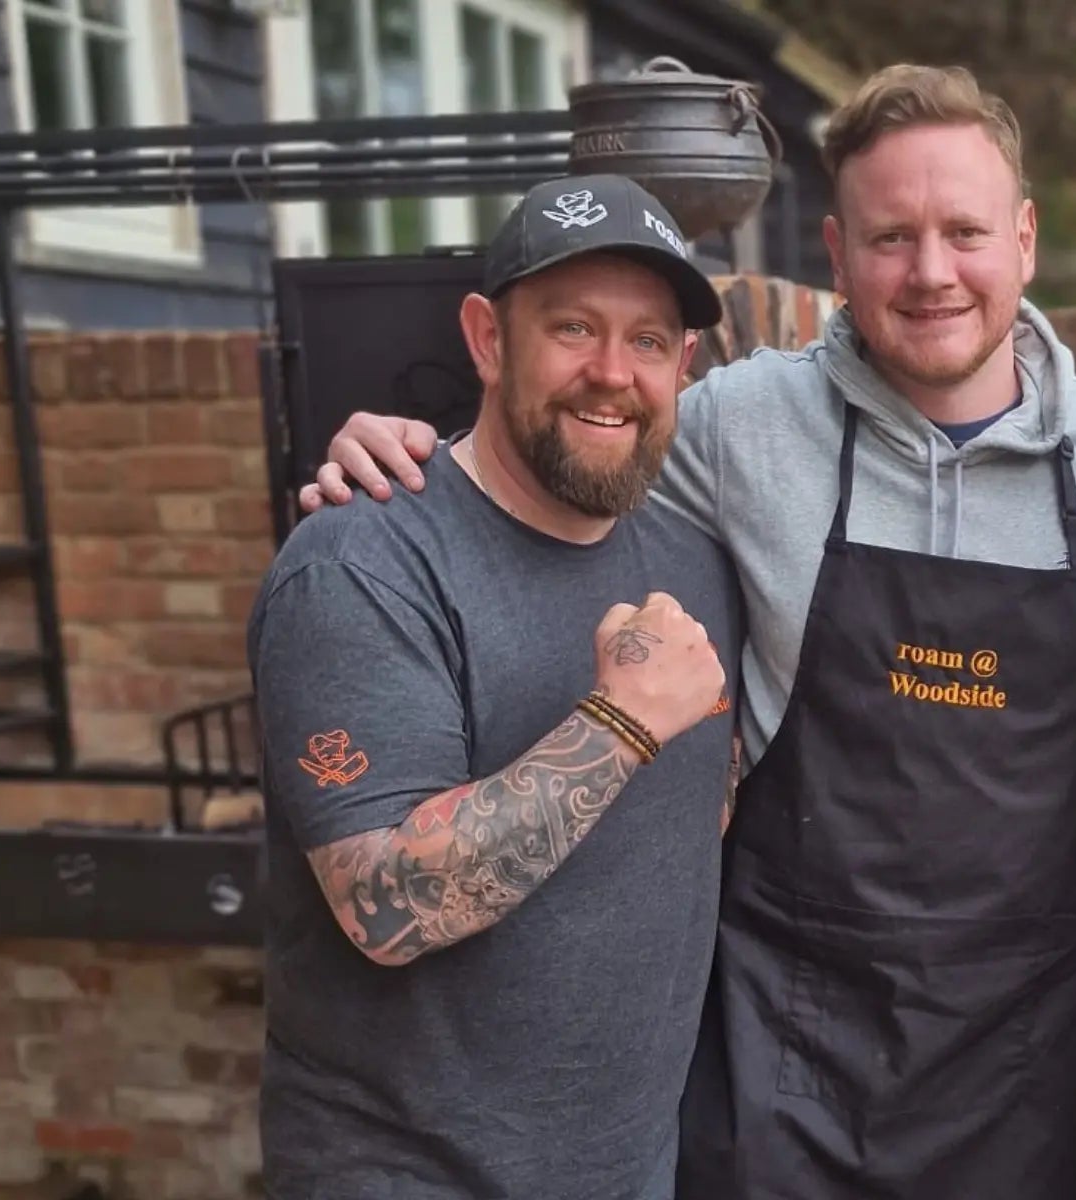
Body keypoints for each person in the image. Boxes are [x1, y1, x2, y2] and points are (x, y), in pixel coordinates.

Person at [294, 65, 1076, 1199]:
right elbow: (574, 447)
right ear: (838, 253)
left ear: (1026, 242)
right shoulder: (732, 426)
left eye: (965, 233)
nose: (931, 270)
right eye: (891, 237)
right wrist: (416, 457)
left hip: (1023, 1055)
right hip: (785, 1045)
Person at [248, 174, 743, 1200]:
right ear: (486, 338)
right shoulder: (361, 563)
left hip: (629, 1167)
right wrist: (621, 721)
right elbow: (387, 910)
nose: (612, 373)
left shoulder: (693, 563)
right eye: (572, 327)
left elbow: (701, 811)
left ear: (682, 365)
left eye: (648, 341)